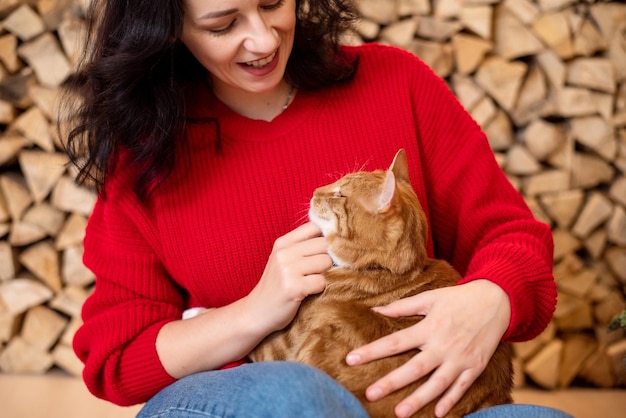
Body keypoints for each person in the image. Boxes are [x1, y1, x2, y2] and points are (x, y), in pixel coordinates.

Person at [63, 0, 572, 417]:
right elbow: (117, 362)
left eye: (273, 4)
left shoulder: (396, 83)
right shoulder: (145, 150)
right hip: (247, 398)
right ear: (168, 28)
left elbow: (512, 237)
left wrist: (491, 298)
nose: (263, 40)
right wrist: (253, 314)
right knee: (296, 396)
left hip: (405, 401)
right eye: (224, 24)